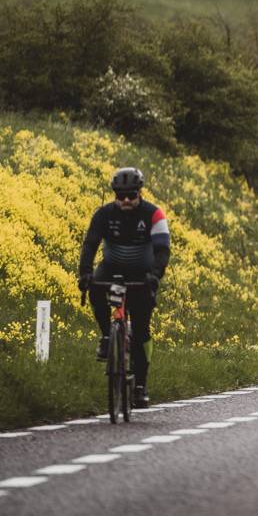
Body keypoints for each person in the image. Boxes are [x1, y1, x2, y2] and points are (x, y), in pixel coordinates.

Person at [78, 167, 170, 409]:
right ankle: (108, 335)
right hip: (111, 268)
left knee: (141, 332)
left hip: (143, 273)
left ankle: (140, 386)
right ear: (115, 195)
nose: (126, 200)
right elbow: (90, 244)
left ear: (140, 193)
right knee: (95, 288)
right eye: (121, 196)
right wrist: (84, 273)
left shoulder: (154, 214)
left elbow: (162, 250)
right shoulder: (103, 214)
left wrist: (155, 276)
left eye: (131, 195)